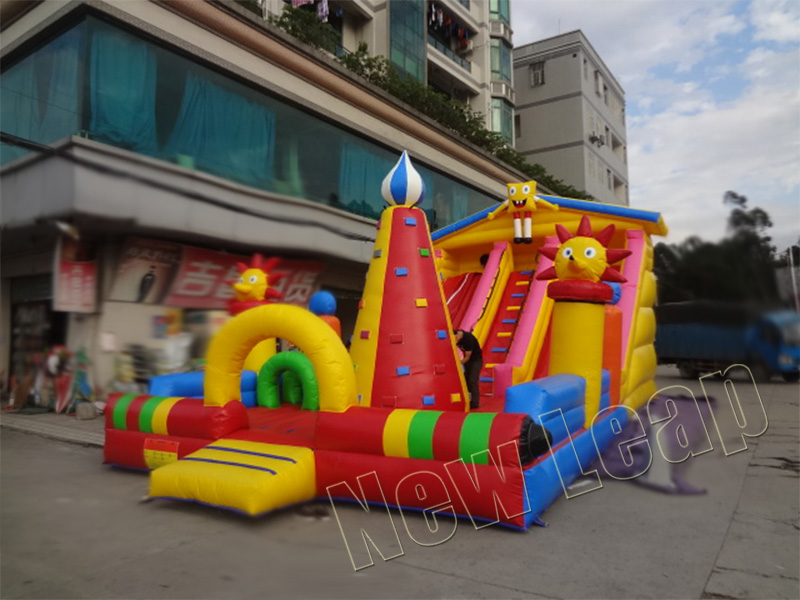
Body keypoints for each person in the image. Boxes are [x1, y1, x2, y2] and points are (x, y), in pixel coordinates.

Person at [454, 329, 483, 410]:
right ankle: (467, 400)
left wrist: (459, 363)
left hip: (476, 361)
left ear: (458, 335)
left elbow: (467, 357)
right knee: (465, 381)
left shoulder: (468, 339)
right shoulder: (456, 337)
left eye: (456, 339)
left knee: (472, 381)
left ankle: (474, 403)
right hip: (468, 361)